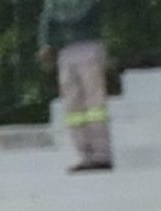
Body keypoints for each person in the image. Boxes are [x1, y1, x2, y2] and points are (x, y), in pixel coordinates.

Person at [38, 0, 111, 172]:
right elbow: (47, 19)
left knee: (94, 103)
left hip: (89, 45)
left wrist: (60, 16)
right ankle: (84, 155)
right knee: (73, 107)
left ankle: (101, 154)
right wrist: (45, 44)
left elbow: (81, 13)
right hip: (66, 51)